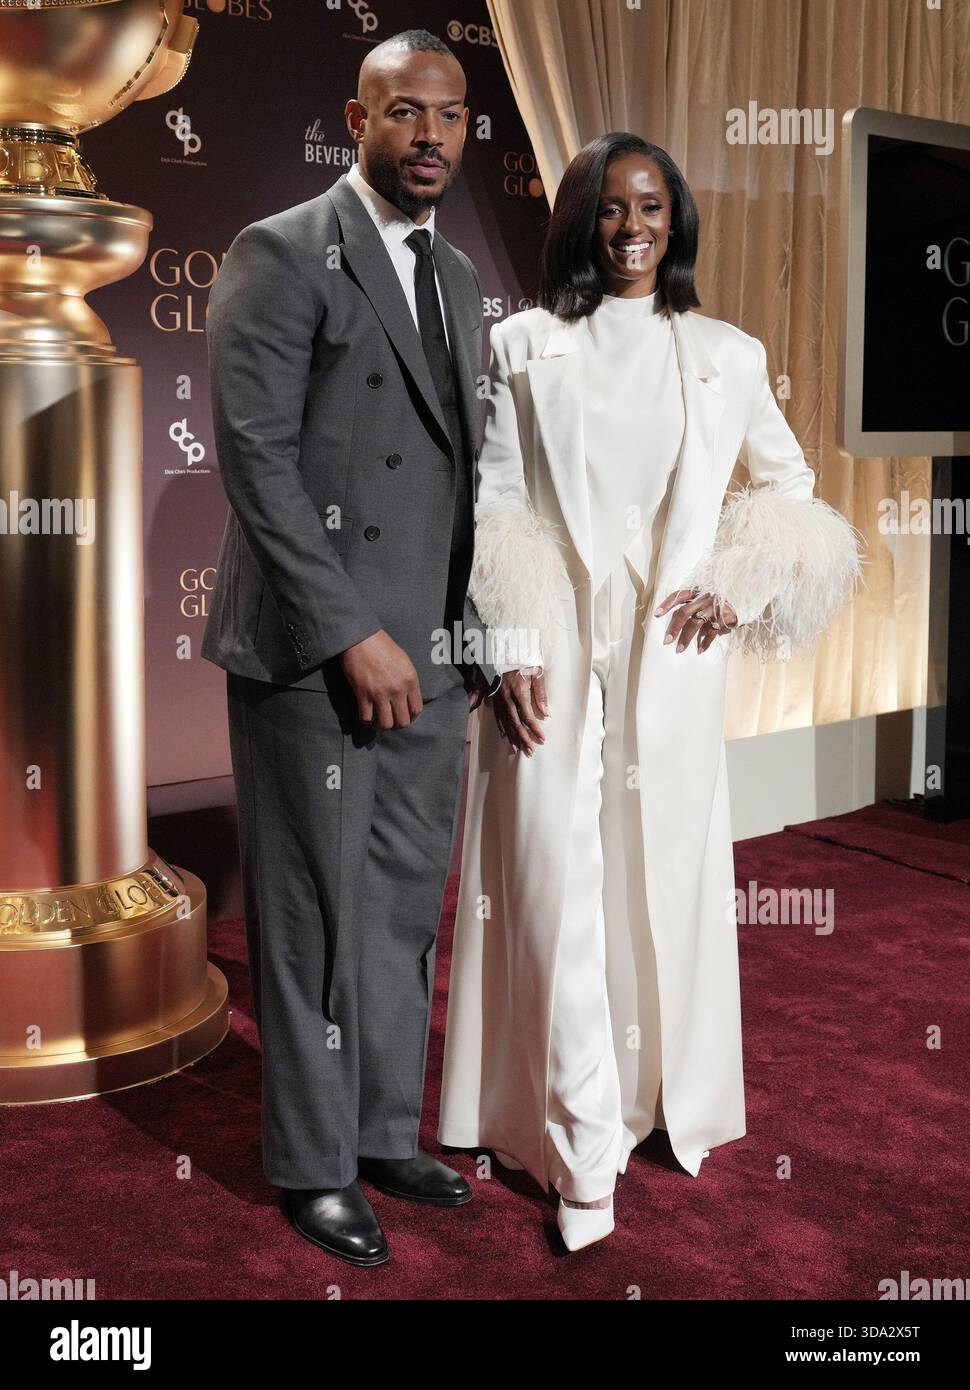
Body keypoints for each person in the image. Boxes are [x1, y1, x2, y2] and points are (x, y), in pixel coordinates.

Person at [437, 132, 865, 1251]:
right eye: (612, 210)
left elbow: (790, 485)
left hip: (669, 660)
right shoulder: (521, 343)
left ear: (675, 225)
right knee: (552, 876)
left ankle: (643, 1100)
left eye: (652, 210)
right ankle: (579, 1146)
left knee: (650, 875)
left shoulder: (724, 350)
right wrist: (515, 638)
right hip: (555, 648)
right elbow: (496, 507)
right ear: (580, 220)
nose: (632, 230)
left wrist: (742, 578)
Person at [202, 29, 499, 1267]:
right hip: (316, 655)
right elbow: (256, 460)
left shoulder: (466, 278)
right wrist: (348, 632)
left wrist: (471, 639)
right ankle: (315, 1166)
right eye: (405, 114)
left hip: (429, 655)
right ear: (358, 118)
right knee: (314, 917)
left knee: (394, 917)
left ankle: (383, 1131)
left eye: (450, 116)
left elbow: (470, 483)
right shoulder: (283, 249)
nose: (430, 136)